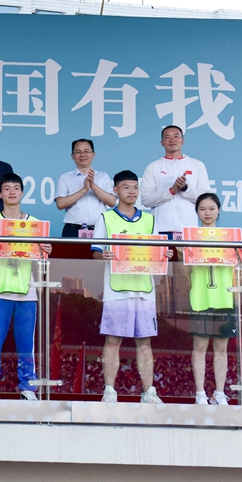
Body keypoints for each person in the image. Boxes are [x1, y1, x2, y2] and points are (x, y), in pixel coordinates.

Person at [92, 170, 173, 403]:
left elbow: (156, 252)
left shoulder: (150, 219)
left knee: (145, 343)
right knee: (113, 341)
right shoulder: (106, 218)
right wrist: (103, 255)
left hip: (144, 290)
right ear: (115, 190)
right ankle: (109, 390)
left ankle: (148, 392)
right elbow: (95, 253)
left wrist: (164, 254)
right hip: (117, 290)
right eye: (126, 187)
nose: (132, 191)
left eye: (135, 187)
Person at [0, 173, 53, 400]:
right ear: (0, 193)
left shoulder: (35, 224)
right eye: (7, 188)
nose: (11, 192)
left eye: (16, 188)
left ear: (22, 192)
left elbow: (42, 257)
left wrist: (46, 250)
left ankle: (28, 387)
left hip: (27, 291)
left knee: (26, 344)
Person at [184, 193, 238, 405]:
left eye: (211, 208)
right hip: (200, 299)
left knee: (221, 349)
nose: (207, 213)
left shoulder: (230, 237)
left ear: (219, 210)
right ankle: (200, 393)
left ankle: (219, 393)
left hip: (224, 298)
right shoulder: (191, 238)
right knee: (199, 348)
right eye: (202, 209)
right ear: (197, 212)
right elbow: (185, 272)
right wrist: (182, 253)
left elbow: (240, 264)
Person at [141, 125, 211, 238]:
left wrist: (185, 188)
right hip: (160, 229)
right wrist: (171, 191)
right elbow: (146, 199)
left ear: (182, 141)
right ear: (162, 143)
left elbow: (206, 198)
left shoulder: (197, 165)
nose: (172, 140)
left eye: (176, 136)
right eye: (167, 137)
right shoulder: (153, 167)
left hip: (189, 230)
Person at [55, 139, 115, 237]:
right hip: (73, 230)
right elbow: (60, 204)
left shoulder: (103, 176)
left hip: (99, 229)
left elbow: (112, 202)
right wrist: (84, 190)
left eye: (87, 151)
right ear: (72, 156)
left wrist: (93, 186)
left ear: (93, 154)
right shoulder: (65, 178)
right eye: (78, 152)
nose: (82, 155)